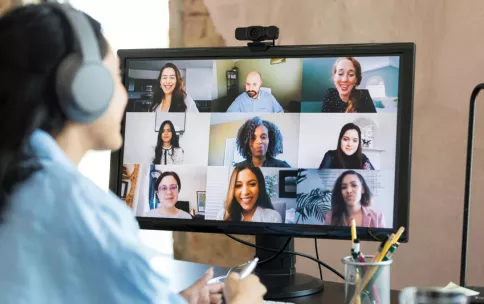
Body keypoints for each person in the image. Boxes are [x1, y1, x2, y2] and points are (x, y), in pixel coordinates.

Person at [0, 4, 266, 304]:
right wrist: (243, 299)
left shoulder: (18, 179)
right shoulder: (82, 210)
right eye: (116, 77)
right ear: (85, 89)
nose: (124, 95)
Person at [216, 164, 282, 223]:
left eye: (252, 184)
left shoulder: (273, 217)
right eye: (238, 185)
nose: (245, 192)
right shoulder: (222, 215)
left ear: (260, 187)